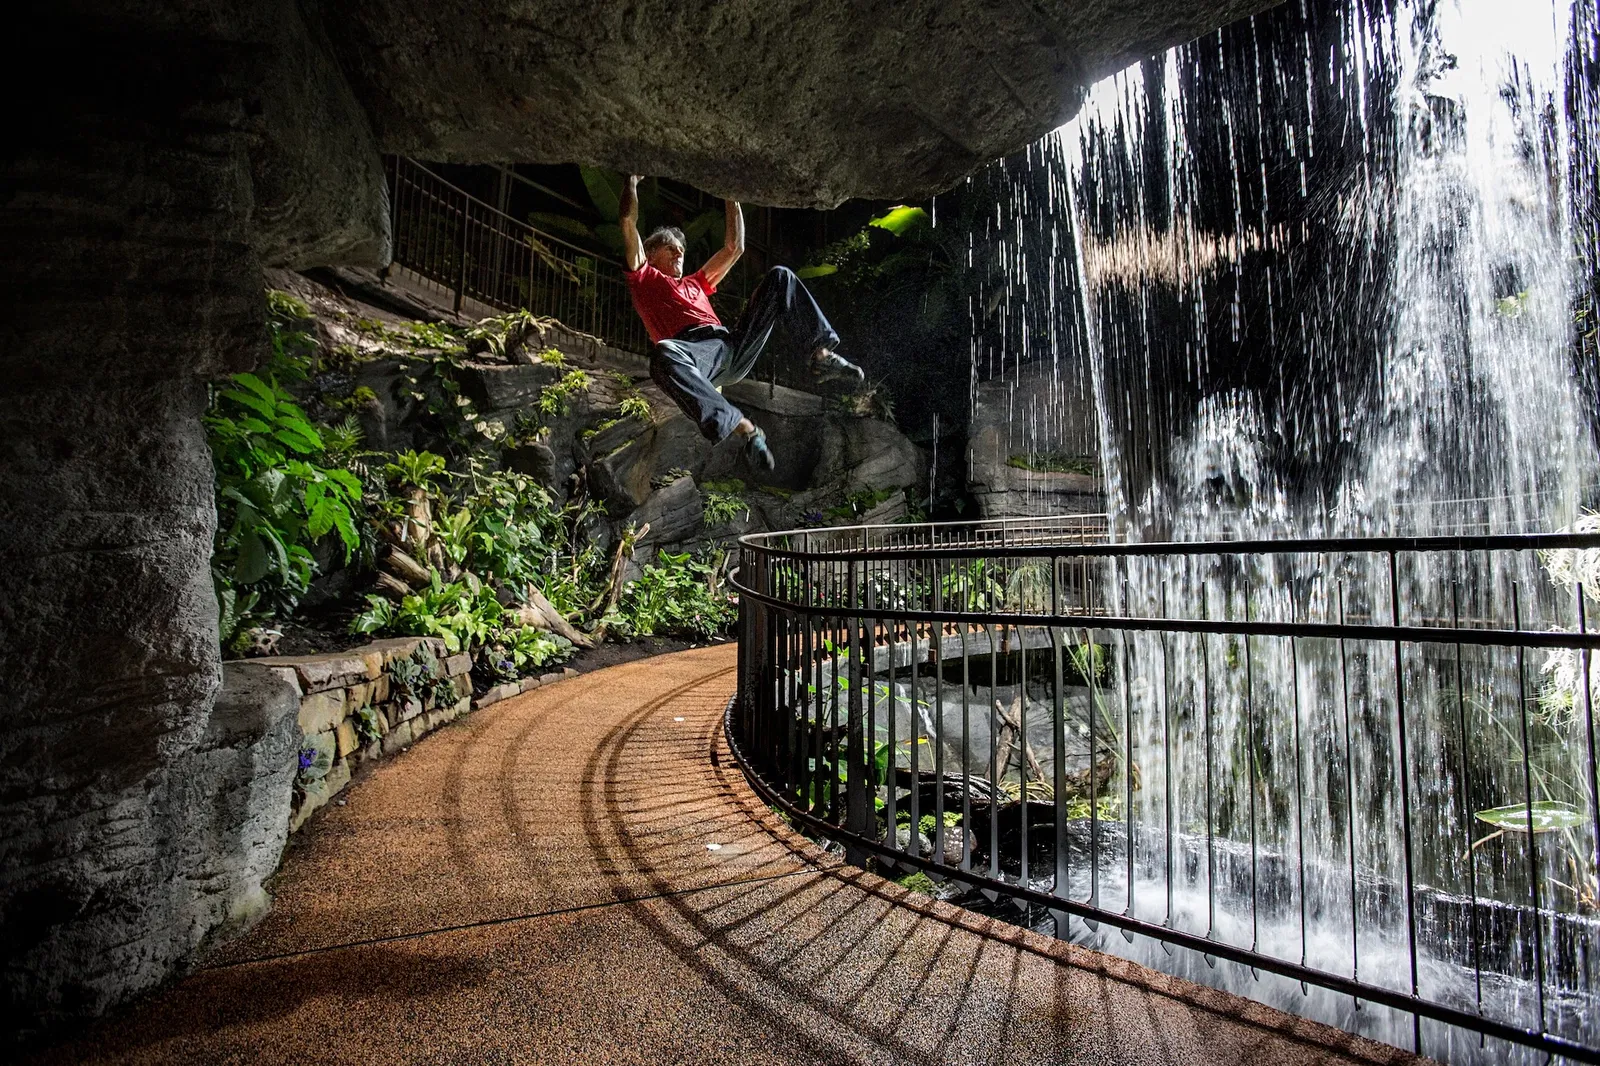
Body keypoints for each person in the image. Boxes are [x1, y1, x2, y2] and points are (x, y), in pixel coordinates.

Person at [620, 174, 863, 471]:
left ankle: (820, 354)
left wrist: (730, 191)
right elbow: (627, 223)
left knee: (780, 277)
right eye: (671, 247)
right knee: (664, 354)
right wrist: (631, 182)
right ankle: (743, 428)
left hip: (733, 345)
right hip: (698, 352)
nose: (679, 252)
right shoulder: (644, 277)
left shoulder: (697, 282)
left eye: (681, 249)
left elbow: (734, 248)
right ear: (651, 252)